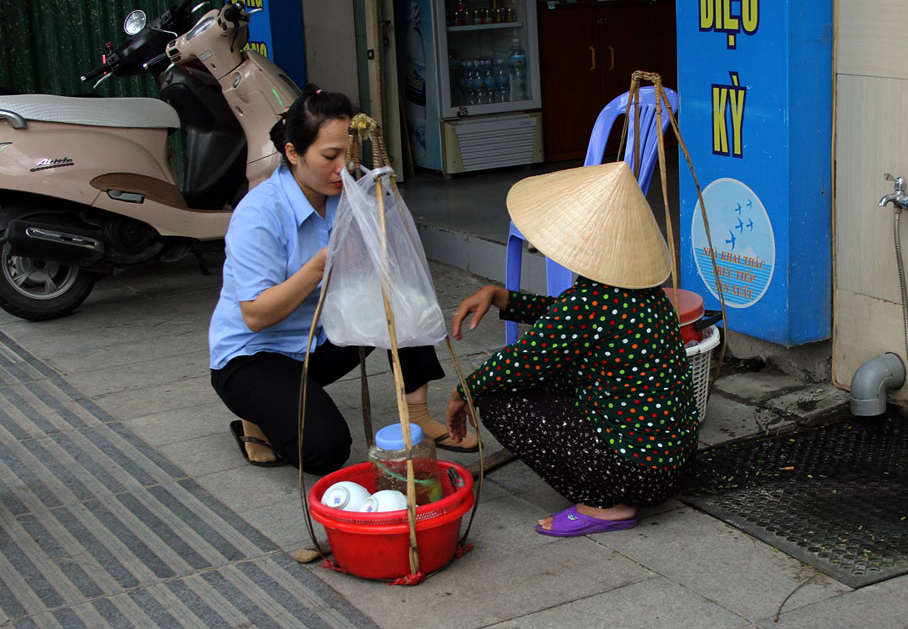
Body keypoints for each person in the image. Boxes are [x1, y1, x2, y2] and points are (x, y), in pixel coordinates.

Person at [209, 86, 477, 475]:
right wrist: (322, 265)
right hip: (256, 355)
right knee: (325, 450)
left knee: (402, 296)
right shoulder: (259, 214)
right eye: (329, 157)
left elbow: (385, 276)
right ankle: (258, 415)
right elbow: (255, 315)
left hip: (320, 341)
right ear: (292, 153)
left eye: (348, 156)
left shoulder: (350, 195)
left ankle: (418, 414)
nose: (342, 169)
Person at [446, 162, 698, 536]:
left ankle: (604, 505)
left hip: (635, 473)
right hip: (670, 464)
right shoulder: (645, 295)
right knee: (548, 375)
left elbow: (522, 361)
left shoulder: (591, 302)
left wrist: (462, 391)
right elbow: (564, 318)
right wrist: (502, 298)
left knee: (499, 400)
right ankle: (610, 491)